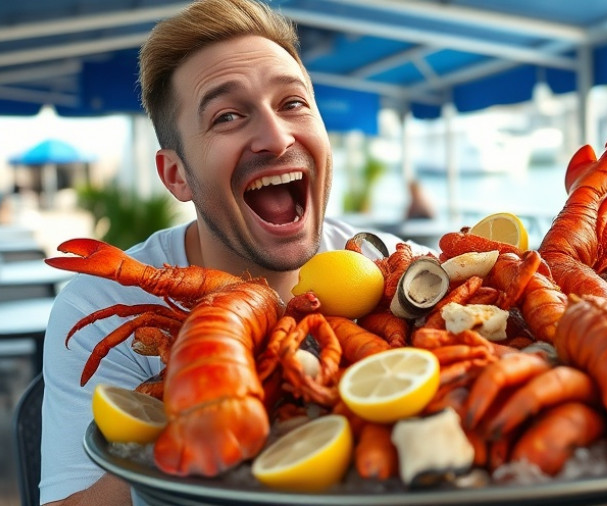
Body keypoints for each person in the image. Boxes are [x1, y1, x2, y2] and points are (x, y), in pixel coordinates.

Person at [40, 1, 426, 503]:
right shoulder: (96, 303)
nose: (275, 136)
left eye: (293, 104)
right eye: (227, 116)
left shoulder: (404, 269)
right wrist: (197, 423)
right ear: (176, 175)